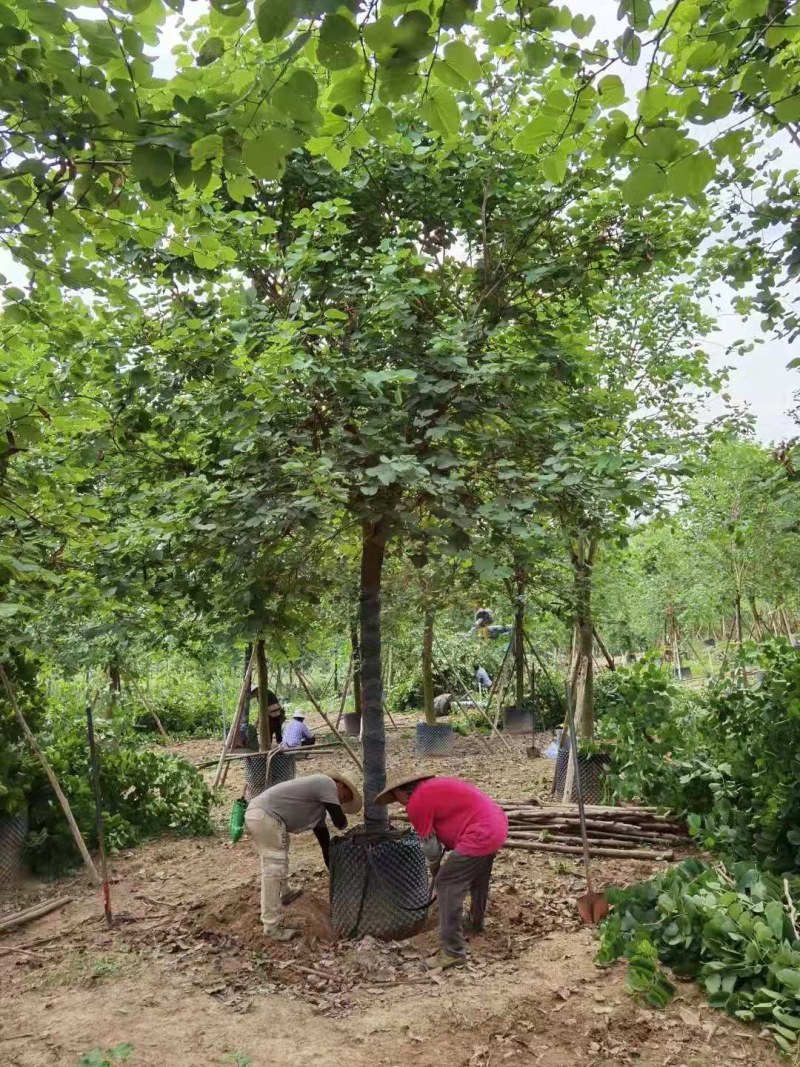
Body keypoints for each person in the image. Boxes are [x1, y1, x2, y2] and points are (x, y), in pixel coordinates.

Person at [375, 772, 508, 970]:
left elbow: (431, 848)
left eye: (396, 798)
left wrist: (436, 870)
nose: (398, 803)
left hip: (479, 832)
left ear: (400, 791)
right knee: (479, 876)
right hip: (496, 825)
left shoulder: (416, 802)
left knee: (446, 883)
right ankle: (476, 922)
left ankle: (453, 952)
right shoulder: (432, 788)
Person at [244, 772, 362, 941]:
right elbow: (339, 821)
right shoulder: (326, 783)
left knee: (278, 856)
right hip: (264, 814)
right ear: (340, 785)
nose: (341, 802)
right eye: (344, 797)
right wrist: (345, 824)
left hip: (265, 816)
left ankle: (284, 891)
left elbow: (325, 845)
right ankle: (271, 926)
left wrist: (335, 873)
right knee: (273, 867)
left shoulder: (317, 812)